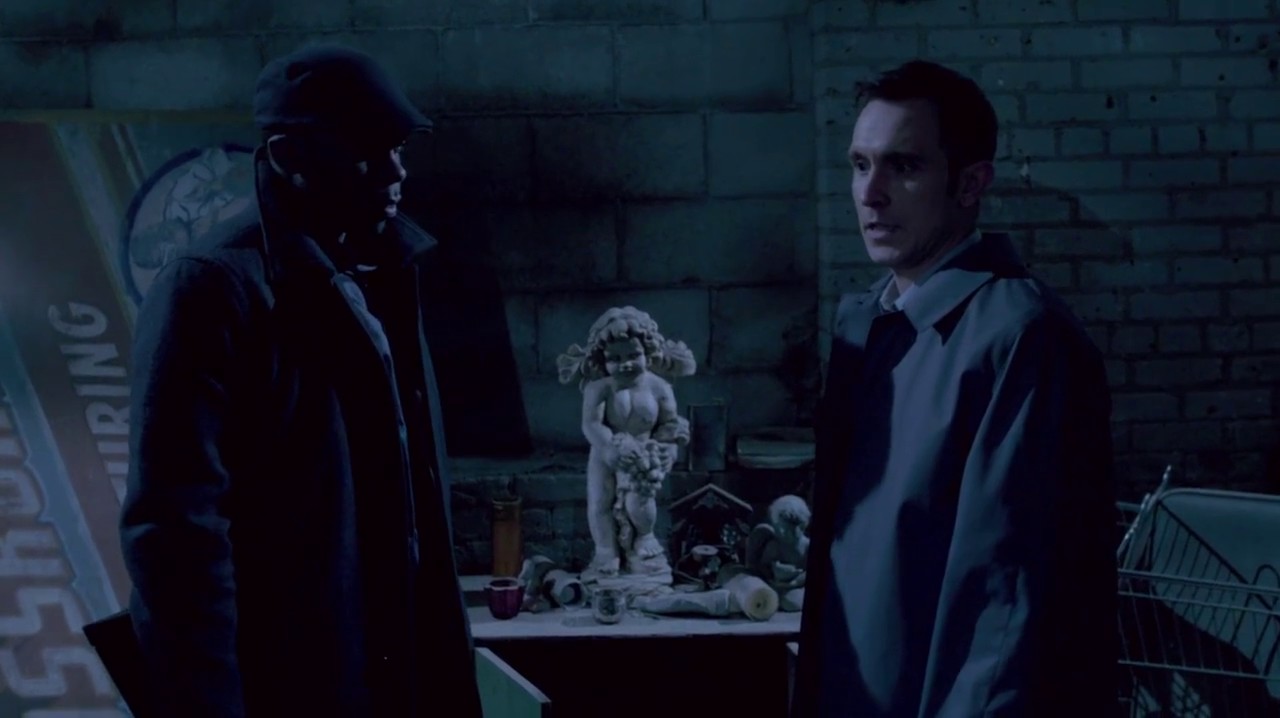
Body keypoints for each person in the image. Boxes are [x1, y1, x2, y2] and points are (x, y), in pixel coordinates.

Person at [119, 44, 482, 717]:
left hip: (393, 672)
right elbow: (175, 538)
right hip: (292, 686)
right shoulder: (211, 290)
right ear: (290, 157)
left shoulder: (383, 272)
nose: (396, 170)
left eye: (399, 147)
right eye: (368, 150)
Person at [791, 60, 1119, 717]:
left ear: (971, 183)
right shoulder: (866, 325)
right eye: (860, 164)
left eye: (903, 166)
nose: (871, 194)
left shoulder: (1022, 337)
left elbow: (1009, 594)